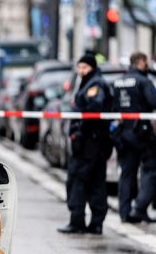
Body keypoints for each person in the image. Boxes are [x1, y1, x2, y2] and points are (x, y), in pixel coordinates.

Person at [58, 54, 113, 235]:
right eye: (79, 67)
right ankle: (95, 223)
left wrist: (79, 132)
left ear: (92, 68)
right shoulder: (90, 83)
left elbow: (93, 110)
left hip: (89, 143)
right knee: (96, 182)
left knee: (78, 181)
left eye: (85, 68)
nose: (81, 71)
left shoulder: (95, 85)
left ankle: (78, 222)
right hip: (95, 142)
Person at [112, 52, 156, 223]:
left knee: (127, 173)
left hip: (122, 133)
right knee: (151, 169)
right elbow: (153, 101)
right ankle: (139, 207)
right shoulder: (143, 81)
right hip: (141, 133)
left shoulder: (118, 81)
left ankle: (124, 212)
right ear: (141, 62)